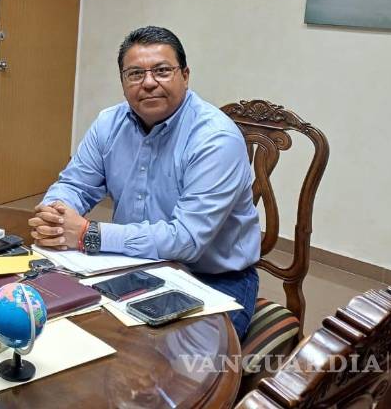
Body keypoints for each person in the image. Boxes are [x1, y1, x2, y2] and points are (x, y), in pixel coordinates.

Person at [28, 26, 261, 339]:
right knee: (62, 329)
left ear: (185, 75)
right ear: (123, 82)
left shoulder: (215, 139)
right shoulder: (109, 123)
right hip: (129, 263)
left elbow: (186, 240)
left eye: (162, 71)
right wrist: (55, 214)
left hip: (212, 279)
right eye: (135, 74)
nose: (149, 83)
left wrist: (87, 234)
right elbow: (75, 184)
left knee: (171, 361)